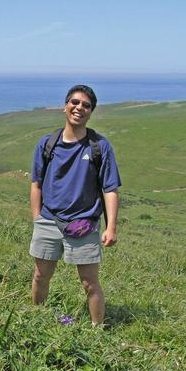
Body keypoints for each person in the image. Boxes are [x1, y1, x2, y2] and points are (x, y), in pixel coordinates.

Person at [29, 84, 121, 325]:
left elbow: (110, 189)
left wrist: (111, 227)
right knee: (40, 276)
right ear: (65, 106)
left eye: (86, 105)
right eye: (75, 102)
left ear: (91, 112)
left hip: (84, 224)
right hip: (48, 221)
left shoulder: (100, 147)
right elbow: (36, 183)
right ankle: (36, 320)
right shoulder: (47, 144)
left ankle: (97, 329)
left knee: (90, 283)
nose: (79, 108)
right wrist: (37, 218)